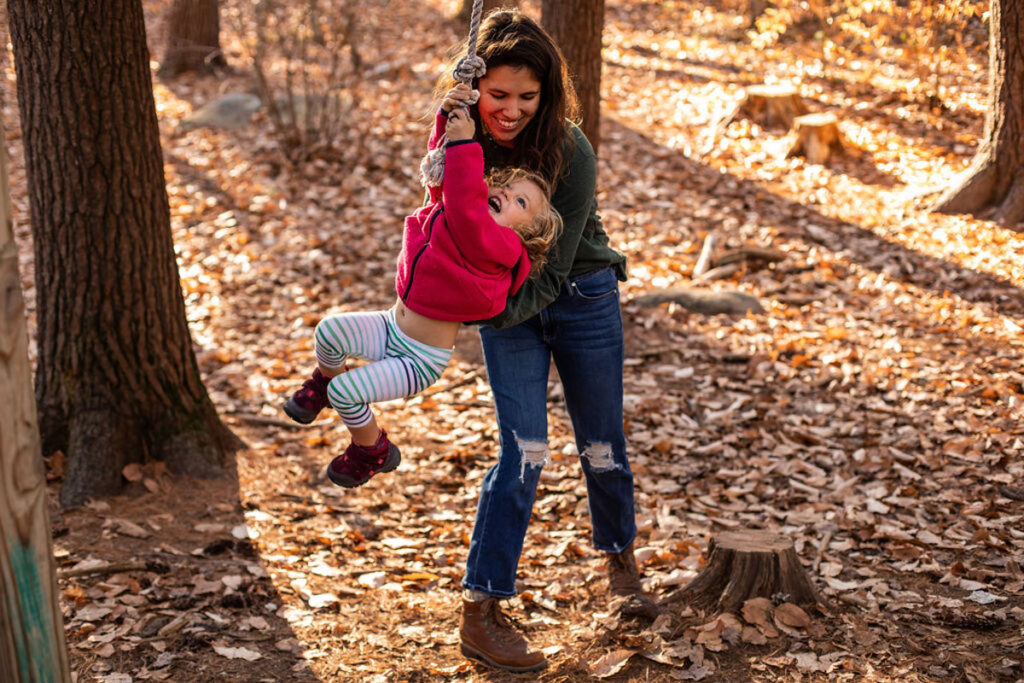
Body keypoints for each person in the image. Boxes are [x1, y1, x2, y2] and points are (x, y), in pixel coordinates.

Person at [439, 10, 651, 674]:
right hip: (510, 308)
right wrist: (450, 132)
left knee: (601, 443)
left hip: (579, 293)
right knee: (524, 449)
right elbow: (446, 217)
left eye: (526, 97)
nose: (511, 109)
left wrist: (489, 312)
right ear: (478, 90)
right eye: (498, 94)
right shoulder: (469, 138)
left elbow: (555, 268)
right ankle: (481, 608)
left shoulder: (571, 148)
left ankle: (619, 555)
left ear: (547, 94)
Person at [283, 105, 562, 489]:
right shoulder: (461, 215)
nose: (506, 194)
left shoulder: (502, 248)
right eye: (507, 188)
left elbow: (467, 209)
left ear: (527, 234)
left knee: (348, 392)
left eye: (521, 203)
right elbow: (439, 173)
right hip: (390, 325)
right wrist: (447, 118)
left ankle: (372, 450)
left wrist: (467, 144)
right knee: (329, 333)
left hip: (418, 359)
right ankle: (323, 383)